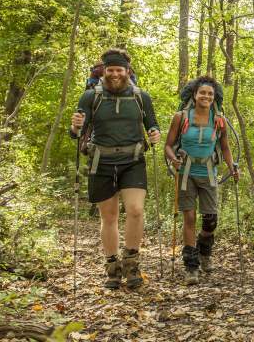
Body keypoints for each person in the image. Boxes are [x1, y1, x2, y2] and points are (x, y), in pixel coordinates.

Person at [70, 48, 160, 289]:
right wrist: (75, 126)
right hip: (102, 161)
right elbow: (77, 133)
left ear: (127, 72)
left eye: (119, 70)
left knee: (136, 210)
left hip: (133, 161)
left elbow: (152, 124)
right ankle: (112, 268)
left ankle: (131, 264)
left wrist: (155, 133)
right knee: (108, 217)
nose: (115, 74)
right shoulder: (91, 96)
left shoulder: (142, 97)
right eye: (110, 70)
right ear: (104, 72)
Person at [164, 75, 238, 284]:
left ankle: (205, 252)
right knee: (189, 218)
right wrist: (173, 160)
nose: (206, 96)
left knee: (210, 221)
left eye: (210, 93)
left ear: (214, 98)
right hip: (186, 173)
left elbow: (225, 147)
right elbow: (168, 145)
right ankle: (191, 266)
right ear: (195, 95)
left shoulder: (219, 119)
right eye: (202, 92)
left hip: (208, 174)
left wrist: (232, 167)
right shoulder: (181, 117)